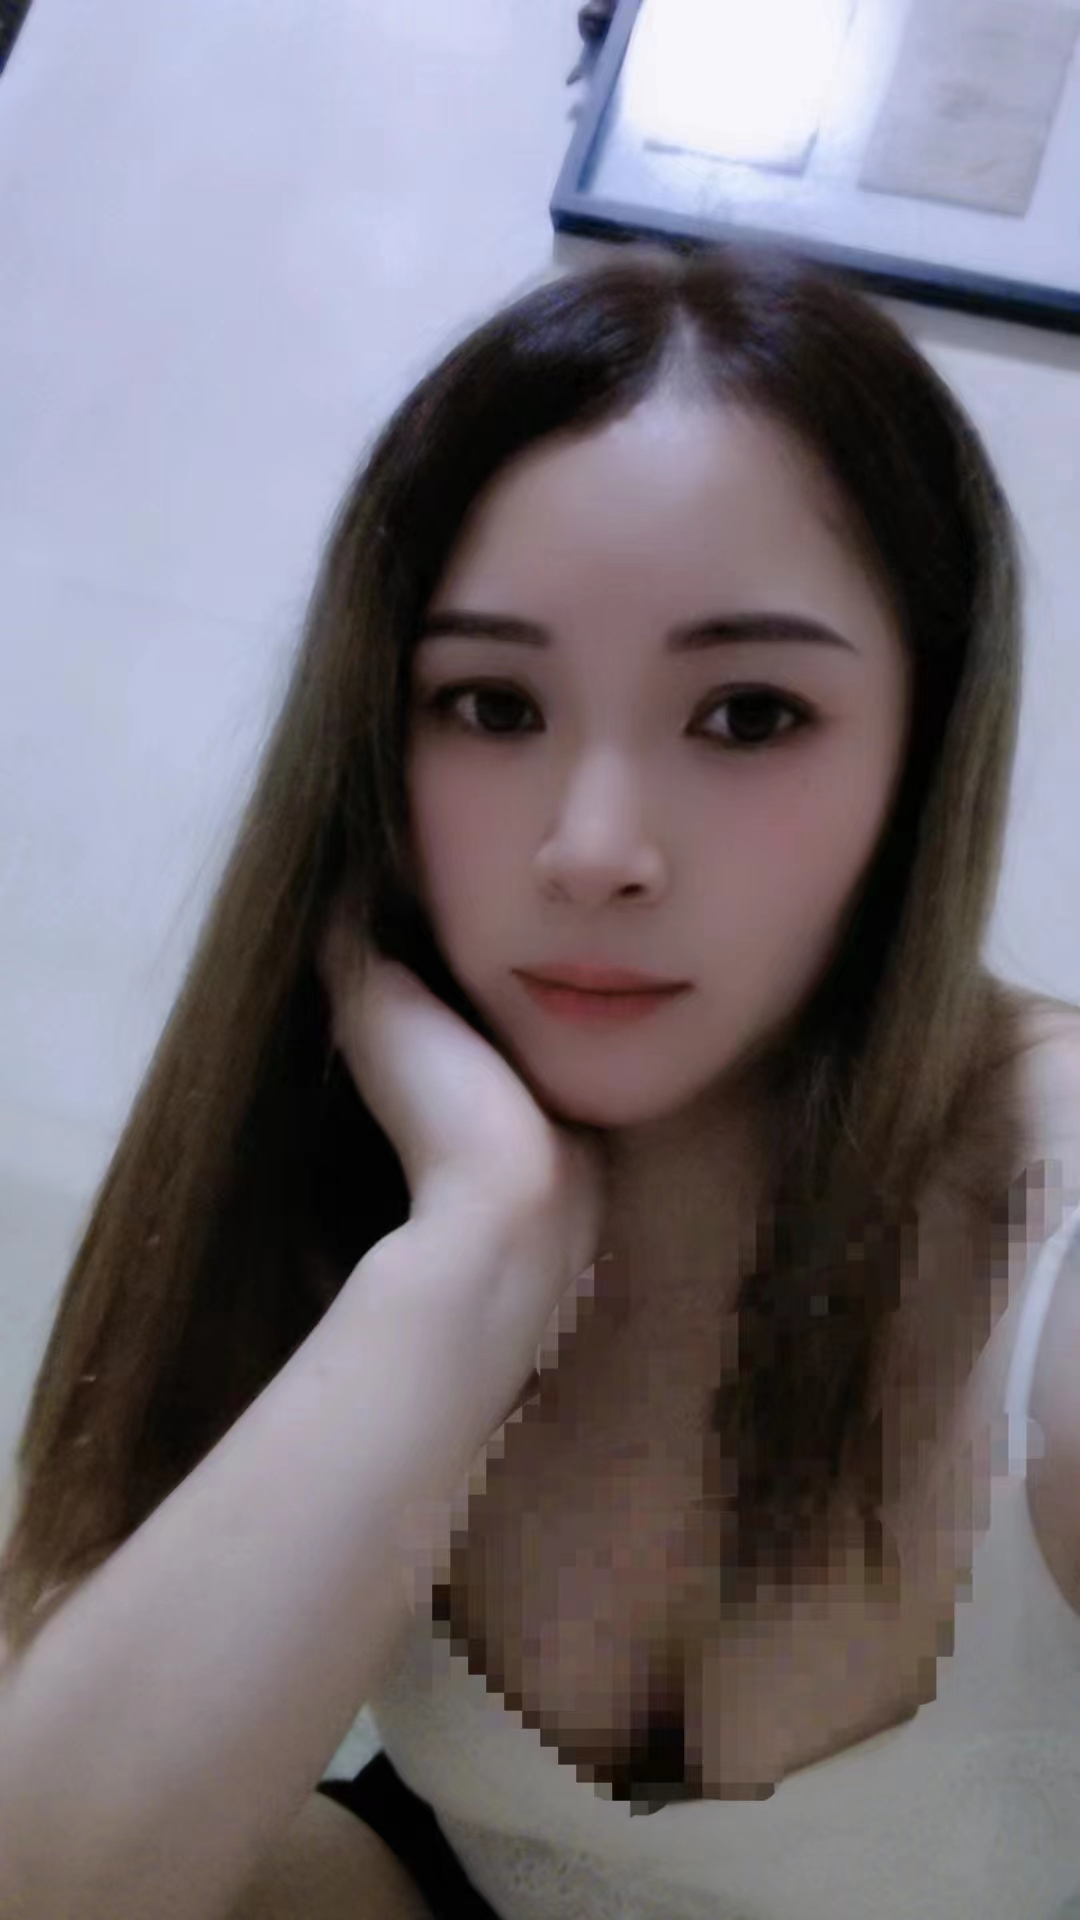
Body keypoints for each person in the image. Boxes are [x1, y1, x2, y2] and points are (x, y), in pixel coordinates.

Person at [1, 243, 1079, 1920]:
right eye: (491, 704)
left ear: (924, 748)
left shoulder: (1048, 1259)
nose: (592, 849)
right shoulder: (362, 1158)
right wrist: (476, 1251)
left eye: (749, 715)